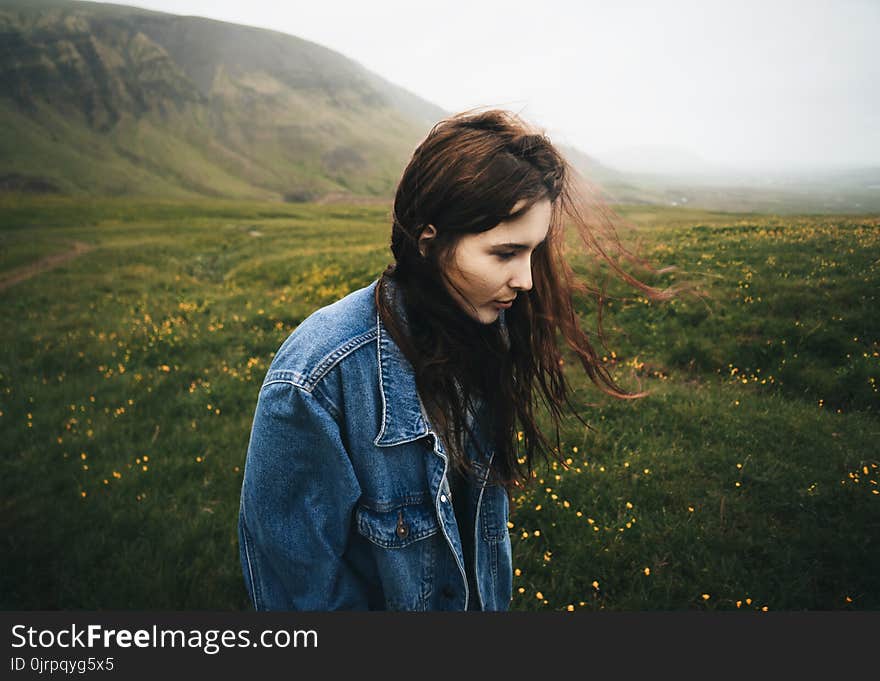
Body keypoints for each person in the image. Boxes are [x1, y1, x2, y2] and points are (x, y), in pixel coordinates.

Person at [237, 108, 677, 611]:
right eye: (504, 253)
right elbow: (296, 599)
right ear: (430, 243)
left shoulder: (486, 334)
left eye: (532, 252)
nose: (527, 280)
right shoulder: (319, 380)